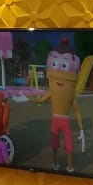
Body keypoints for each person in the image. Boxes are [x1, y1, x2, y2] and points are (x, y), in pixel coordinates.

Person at [32, 39, 85, 172]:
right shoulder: (52, 92)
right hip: (56, 121)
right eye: (55, 64)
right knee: (54, 144)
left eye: (64, 66)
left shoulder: (70, 95)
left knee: (69, 145)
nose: (60, 73)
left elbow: (77, 111)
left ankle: (69, 166)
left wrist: (81, 129)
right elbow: (40, 100)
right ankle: (55, 163)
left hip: (64, 121)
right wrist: (27, 98)